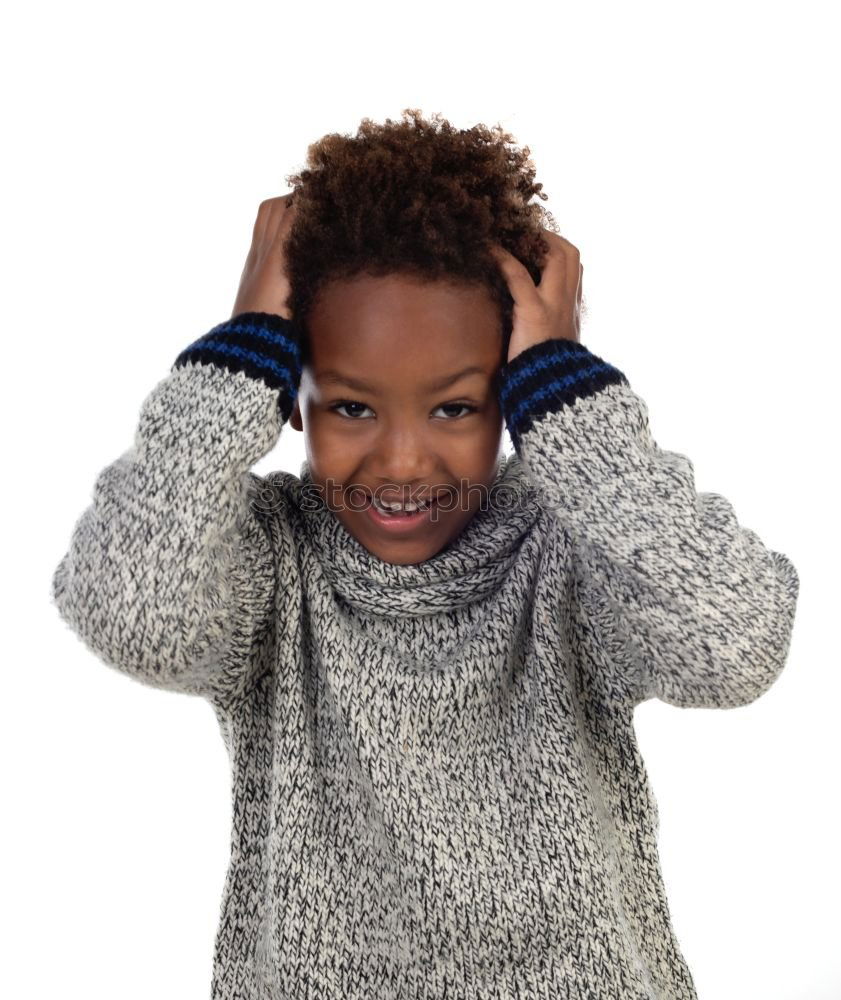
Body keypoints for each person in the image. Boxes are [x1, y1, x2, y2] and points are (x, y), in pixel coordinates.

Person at [50, 109, 800, 1000]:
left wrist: (572, 404)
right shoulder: (269, 563)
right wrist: (236, 356)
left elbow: (735, 645)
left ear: (519, 401)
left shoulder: (572, 546)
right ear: (288, 400)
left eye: (455, 408)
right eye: (351, 408)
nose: (402, 463)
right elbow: (130, 610)